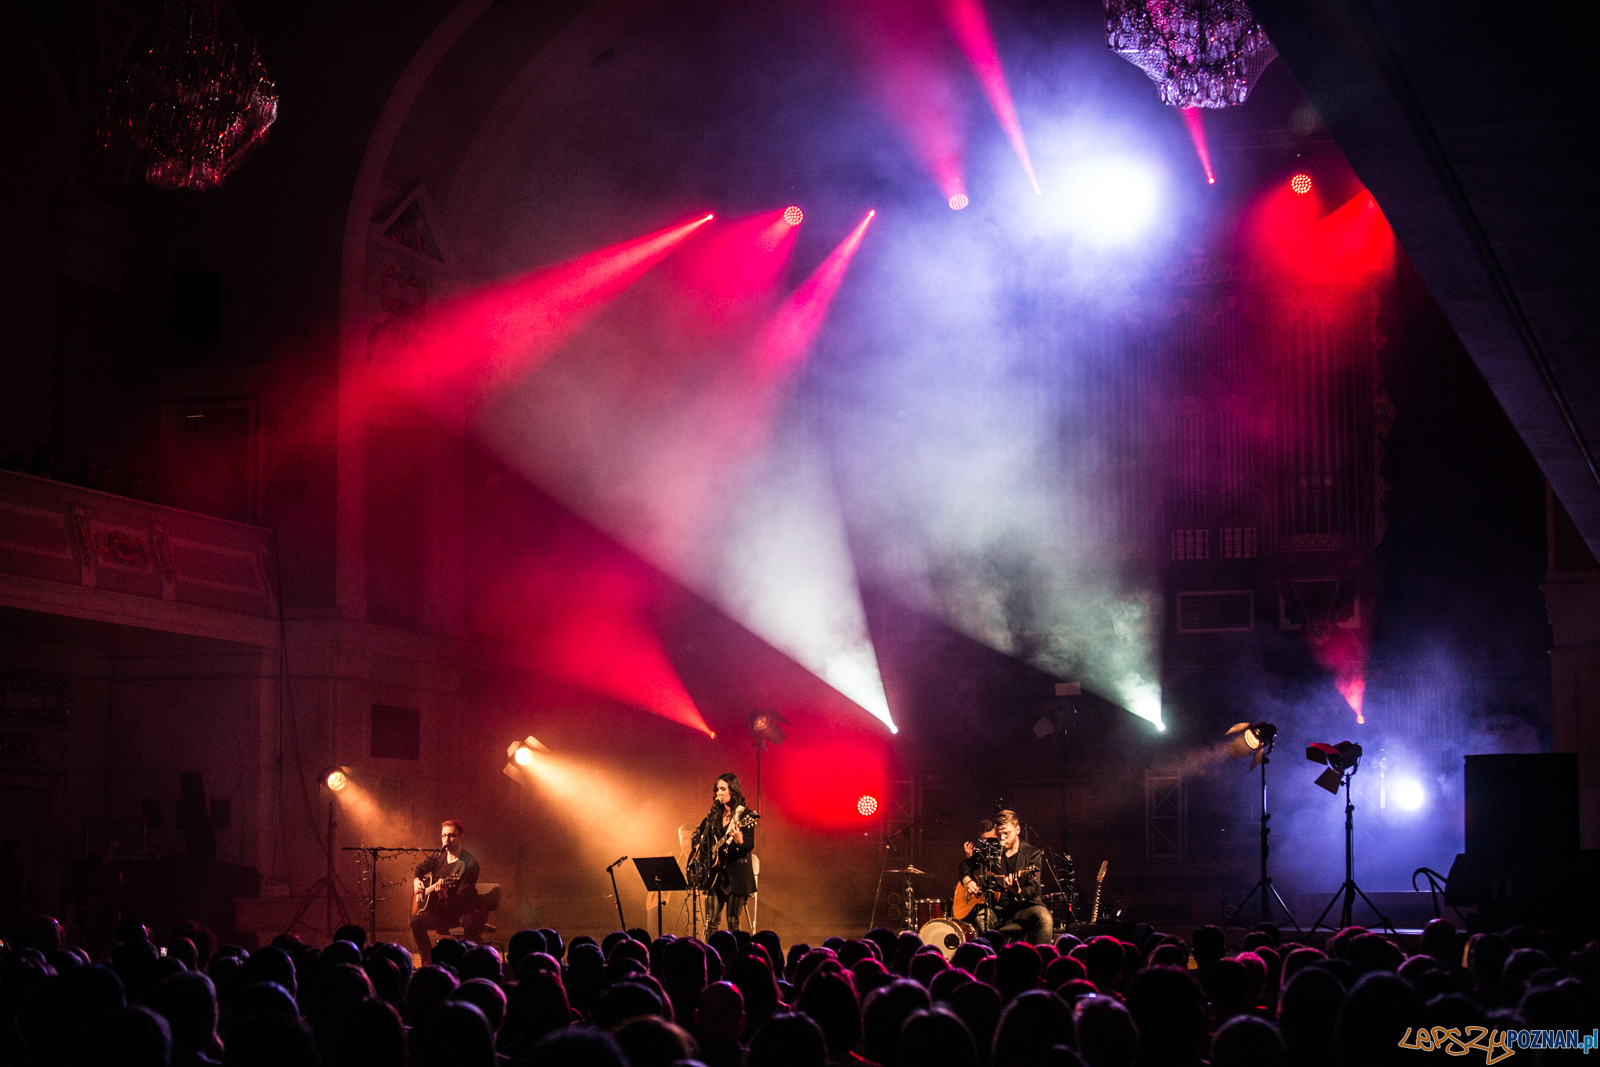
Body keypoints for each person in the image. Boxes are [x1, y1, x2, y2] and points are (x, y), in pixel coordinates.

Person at [963, 811, 1051, 945]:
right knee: (981, 920)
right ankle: (992, 960)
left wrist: (1019, 891)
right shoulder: (991, 850)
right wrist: (967, 881)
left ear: (1017, 830)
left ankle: (1041, 959)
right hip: (997, 908)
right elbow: (965, 866)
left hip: (1024, 908)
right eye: (998, 834)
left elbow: (1035, 888)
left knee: (1044, 918)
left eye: (1006, 833)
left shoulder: (1032, 854)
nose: (1002, 838)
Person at [411, 820, 486, 956]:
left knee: (471, 922)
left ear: (461, 837)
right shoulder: (438, 856)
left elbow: (463, 898)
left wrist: (446, 897)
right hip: (440, 911)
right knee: (416, 922)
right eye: (443, 836)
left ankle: (472, 961)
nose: (447, 839)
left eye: (451, 835)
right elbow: (420, 869)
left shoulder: (470, 863)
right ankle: (428, 962)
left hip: (461, 911)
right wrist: (416, 880)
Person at [693, 774, 757, 933]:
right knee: (712, 922)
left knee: (733, 921)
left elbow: (749, 845)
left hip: (737, 876)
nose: (718, 793)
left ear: (733, 791)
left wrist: (740, 840)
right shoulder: (713, 816)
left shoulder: (745, 816)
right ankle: (712, 955)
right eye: (717, 790)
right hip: (715, 876)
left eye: (723, 789)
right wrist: (697, 848)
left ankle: (735, 956)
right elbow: (696, 835)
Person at [957, 821, 1000, 931]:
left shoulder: (1002, 852)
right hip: (985, 903)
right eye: (983, 840)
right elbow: (964, 868)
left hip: (1000, 904)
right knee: (981, 921)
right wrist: (968, 881)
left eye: (990, 839)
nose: (987, 843)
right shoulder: (983, 852)